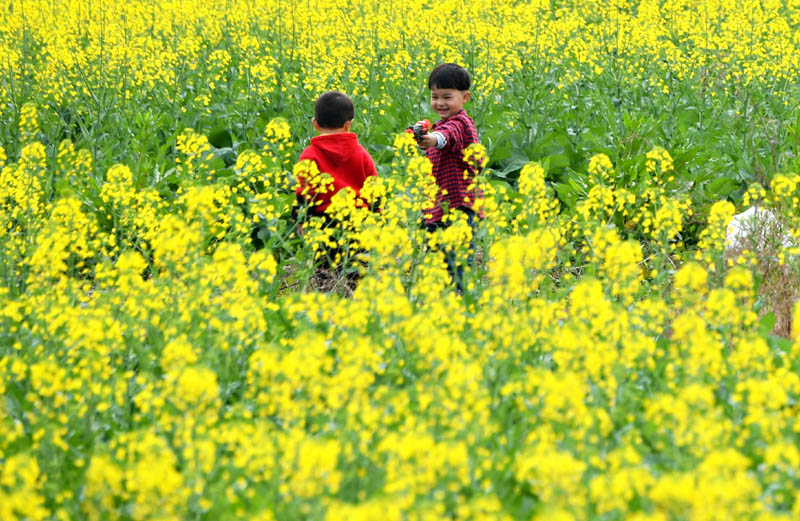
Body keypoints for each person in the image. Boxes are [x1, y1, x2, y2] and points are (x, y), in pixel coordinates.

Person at [293, 91, 378, 271]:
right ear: (349, 124)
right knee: (357, 273)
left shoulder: (309, 155)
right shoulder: (361, 153)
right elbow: (373, 188)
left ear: (315, 124)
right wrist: (379, 217)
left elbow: (303, 191)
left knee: (325, 274)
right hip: (359, 222)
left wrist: (301, 220)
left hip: (324, 224)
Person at [416, 63, 482, 291]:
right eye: (435, 97)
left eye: (447, 96)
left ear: (465, 98)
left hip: (457, 207)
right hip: (439, 206)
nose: (439, 103)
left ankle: (460, 305)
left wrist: (433, 139)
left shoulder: (461, 124)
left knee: (457, 262)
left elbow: (447, 137)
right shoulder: (440, 124)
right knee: (437, 262)